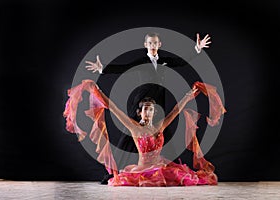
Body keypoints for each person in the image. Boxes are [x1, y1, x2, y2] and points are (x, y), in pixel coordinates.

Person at [84, 32, 211, 183]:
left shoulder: (164, 60)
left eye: (155, 43)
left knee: (164, 134)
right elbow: (124, 68)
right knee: (128, 135)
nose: (152, 46)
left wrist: (197, 48)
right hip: (142, 102)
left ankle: (170, 167)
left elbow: (181, 61)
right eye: (150, 43)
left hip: (158, 104)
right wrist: (102, 69)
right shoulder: (141, 61)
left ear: (159, 44)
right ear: (146, 45)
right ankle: (113, 174)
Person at [63, 79, 226, 186]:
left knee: (189, 178)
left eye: (152, 110)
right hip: (142, 170)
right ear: (140, 113)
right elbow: (114, 108)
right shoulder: (135, 127)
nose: (149, 113)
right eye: (146, 110)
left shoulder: (159, 126)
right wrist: (97, 91)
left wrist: (187, 96)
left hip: (160, 166)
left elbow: (175, 111)